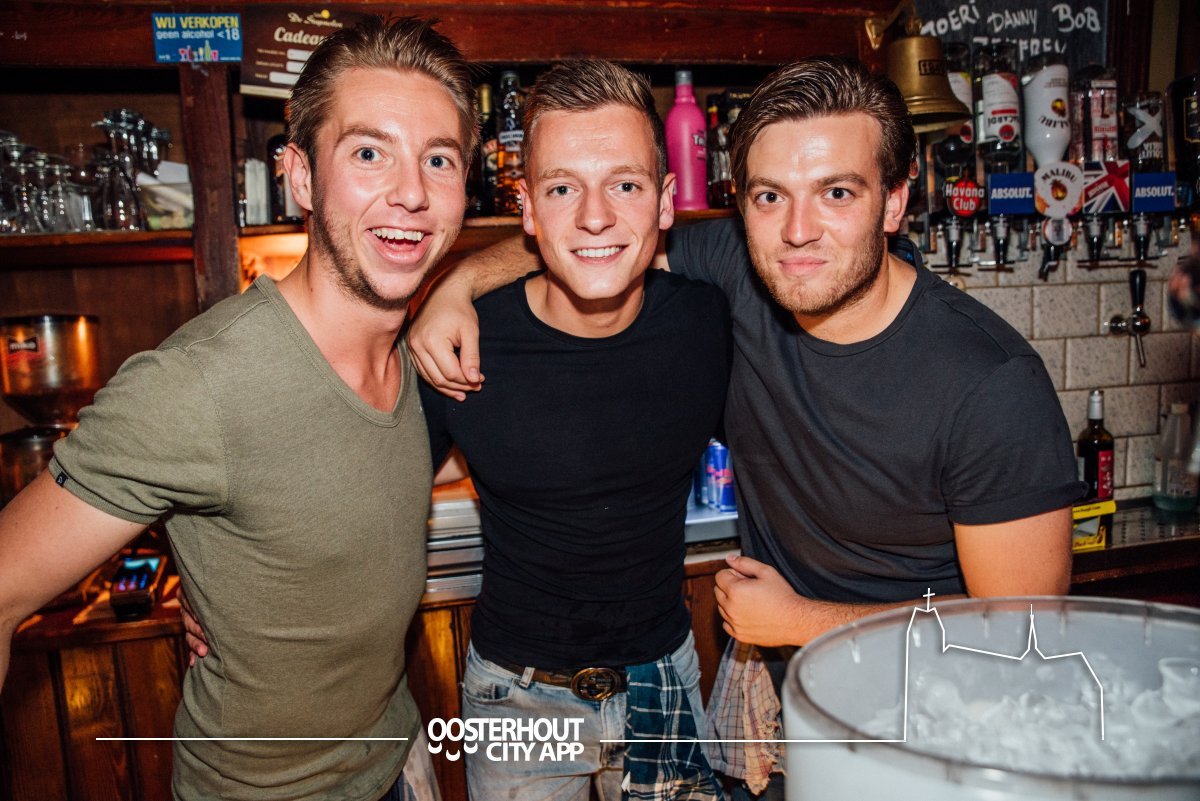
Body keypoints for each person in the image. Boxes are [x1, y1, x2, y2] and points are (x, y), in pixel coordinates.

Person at [406, 55, 1083, 797]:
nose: (798, 229)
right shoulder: (740, 271)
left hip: (934, 725)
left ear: (895, 200)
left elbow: (1021, 637)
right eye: (769, 195)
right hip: (788, 711)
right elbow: (598, 237)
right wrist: (454, 285)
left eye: (837, 192)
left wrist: (801, 620)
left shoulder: (990, 384)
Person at [0, 16, 476, 801]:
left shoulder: (416, 355)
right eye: (369, 153)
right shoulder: (200, 382)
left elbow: (562, 239)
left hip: (397, 760)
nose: (412, 192)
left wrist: (462, 281)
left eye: (438, 159)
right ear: (300, 178)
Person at [420, 60, 730, 800]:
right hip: (517, 700)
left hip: (663, 681)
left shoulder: (708, 320)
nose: (594, 216)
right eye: (563, 188)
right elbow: (370, 504)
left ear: (665, 201)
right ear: (528, 208)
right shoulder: (464, 340)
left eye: (625, 184)